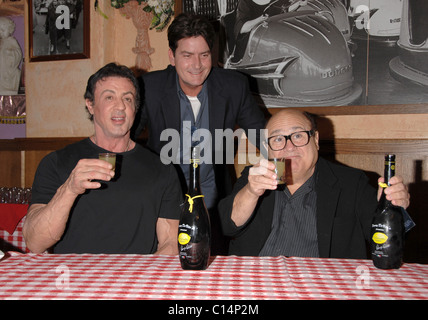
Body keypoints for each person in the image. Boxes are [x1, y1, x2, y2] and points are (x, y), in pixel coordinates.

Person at [132, 13, 267, 254]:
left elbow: (264, 137)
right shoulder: (149, 87)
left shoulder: (234, 86)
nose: (197, 65)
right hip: (162, 201)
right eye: (187, 55)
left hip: (213, 203)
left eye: (204, 55)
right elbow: (126, 141)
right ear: (172, 56)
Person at [23, 63, 183, 254]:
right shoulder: (57, 162)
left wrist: (140, 279)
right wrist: (70, 189)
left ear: (136, 108)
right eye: (109, 97)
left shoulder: (162, 169)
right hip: (72, 279)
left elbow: (171, 243)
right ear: (90, 105)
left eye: (128, 99)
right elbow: (35, 243)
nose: (121, 106)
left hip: (134, 279)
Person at [218, 109, 411, 258]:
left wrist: (394, 210)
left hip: (324, 284)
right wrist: (252, 191)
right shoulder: (254, 177)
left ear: (316, 140)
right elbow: (228, 225)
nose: (289, 146)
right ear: (268, 148)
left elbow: (387, 241)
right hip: (257, 280)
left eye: (298, 135)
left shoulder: (351, 183)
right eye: (278, 139)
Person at [0, 16, 22, 95]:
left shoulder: (12, 41)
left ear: (9, 30)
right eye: (0, 30)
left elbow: (18, 53)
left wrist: (10, 53)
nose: (1, 32)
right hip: (1, 68)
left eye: (3, 30)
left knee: (10, 75)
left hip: (8, 68)